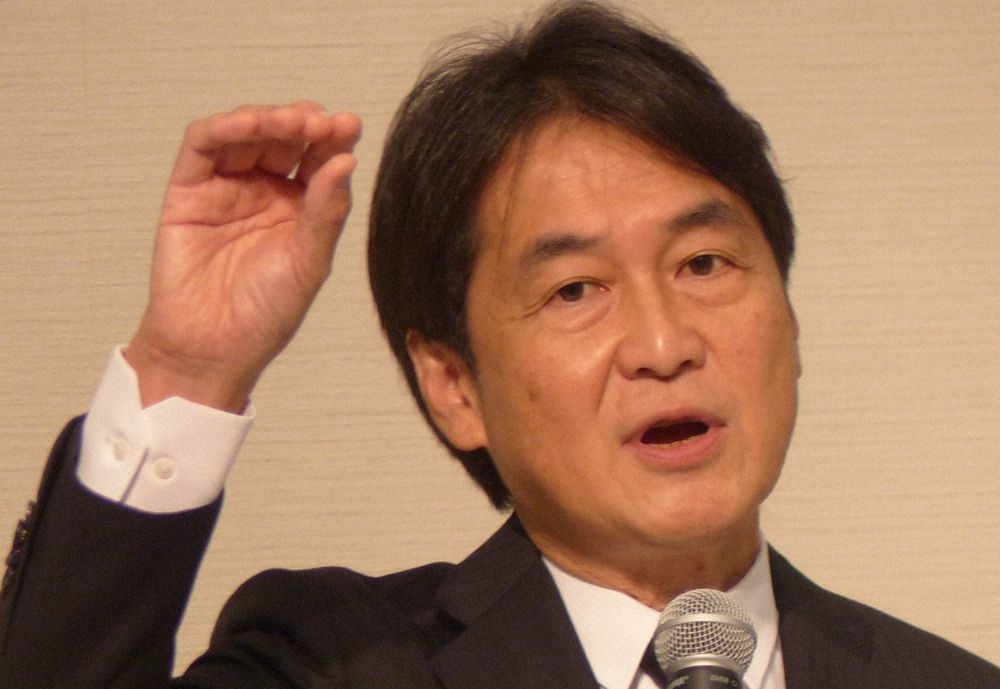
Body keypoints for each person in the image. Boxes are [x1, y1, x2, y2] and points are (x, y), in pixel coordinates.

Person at [0, 2, 996, 687]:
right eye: (575, 289)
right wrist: (187, 371)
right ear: (453, 385)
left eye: (704, 263)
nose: (663, 342)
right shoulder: (332, 662)